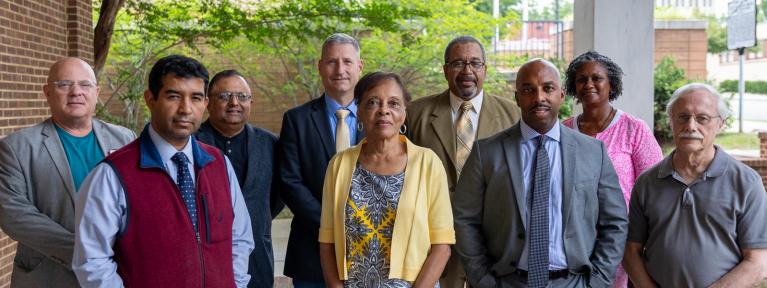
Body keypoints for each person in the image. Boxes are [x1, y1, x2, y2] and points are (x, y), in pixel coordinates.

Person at [72, 55, 254, 287]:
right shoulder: (112, 175)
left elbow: (239, 238)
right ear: (151, 99)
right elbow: (92, 261)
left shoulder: (219, 164)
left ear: (205, 104)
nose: (186, 109)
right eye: (174, 96)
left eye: (196, 98)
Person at [453, 59, 627, 288]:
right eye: (528, 90)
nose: (539, 98)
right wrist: (484, 281)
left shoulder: (594, 152)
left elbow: (615, 222)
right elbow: (465, 220)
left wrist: (597, 281)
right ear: (517, 97)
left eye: (548, 88)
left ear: (561, 94)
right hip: (507, 282)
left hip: (574, 283)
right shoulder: (485, 153)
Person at [0, 57, 135, 287]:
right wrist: (87, 254)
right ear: (47, 92)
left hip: (116, 275)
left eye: (85, 85)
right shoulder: (17, 147)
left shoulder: (125, 139)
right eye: (64, 84)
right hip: (48, 276)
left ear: (96, 92)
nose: (76, 92)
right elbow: (13, 214)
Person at [623, 83, 767, 287]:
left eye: (702, 118)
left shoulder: (746, 182)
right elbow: (630, 251)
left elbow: (757, 262)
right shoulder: (647, 183)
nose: (691, 126)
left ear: (721, 123)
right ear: (671, 121)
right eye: (682, 117)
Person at [405, 35, 521, 288]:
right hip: (432, 241)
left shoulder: (513, 115)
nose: (467, 70)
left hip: (492, 242)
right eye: (458, 63)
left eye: (475, 63)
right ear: (445, 70)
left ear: (485, 70)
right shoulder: (415, 114)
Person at [319, 71, 454, 287]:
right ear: (359, 111)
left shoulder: (428, 163)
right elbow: (327, 241)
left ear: (403, 113)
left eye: (393, 103)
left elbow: (442, 245)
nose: (384, 110)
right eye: (373, 102)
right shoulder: (339, 165)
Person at [561, 51, 662, 287]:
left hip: (622, 241)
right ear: (573, 87)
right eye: (581, 79)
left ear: (611, 84)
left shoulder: (633, 129)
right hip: (572, 240)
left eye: (597, 78)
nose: (588, 84)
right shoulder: (563, 131)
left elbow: (655, 188)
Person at [279, 32, 366, 287]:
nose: (340, 69)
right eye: (332, 62)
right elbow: (290, 182)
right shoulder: (297, 120)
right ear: (320, 66)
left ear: (359, 67)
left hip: (371, 247)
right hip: (312, 249)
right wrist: (332, 225)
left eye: (347, 62)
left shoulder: (378, 117)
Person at [195, 69, 284, 288]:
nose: (234, 102)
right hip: (203, 258)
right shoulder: (191, 142)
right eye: (224, 96)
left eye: (242, 96)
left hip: (257, 258)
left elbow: (278, 196)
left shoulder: (271, 143)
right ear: (208, 102)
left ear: (251, 101)